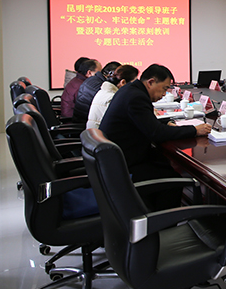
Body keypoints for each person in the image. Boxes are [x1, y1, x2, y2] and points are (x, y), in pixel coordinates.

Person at [100, 64, 211, 209]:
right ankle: (165, 220)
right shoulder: (136, 97)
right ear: (151, 82)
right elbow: (156, 133)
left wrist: (166, 123)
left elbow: (145, 122)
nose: (164, 94)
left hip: (119, 158)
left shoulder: (131, 90)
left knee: (164, 163)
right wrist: (194, 130)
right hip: (126, 165)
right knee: (172, 179)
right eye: (164, 88)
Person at [87, 64, 138, 129]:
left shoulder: (103, 92)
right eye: (133, 83)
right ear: (123, 82)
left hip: (96, 133)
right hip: (103, 134)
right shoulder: (113, 98)